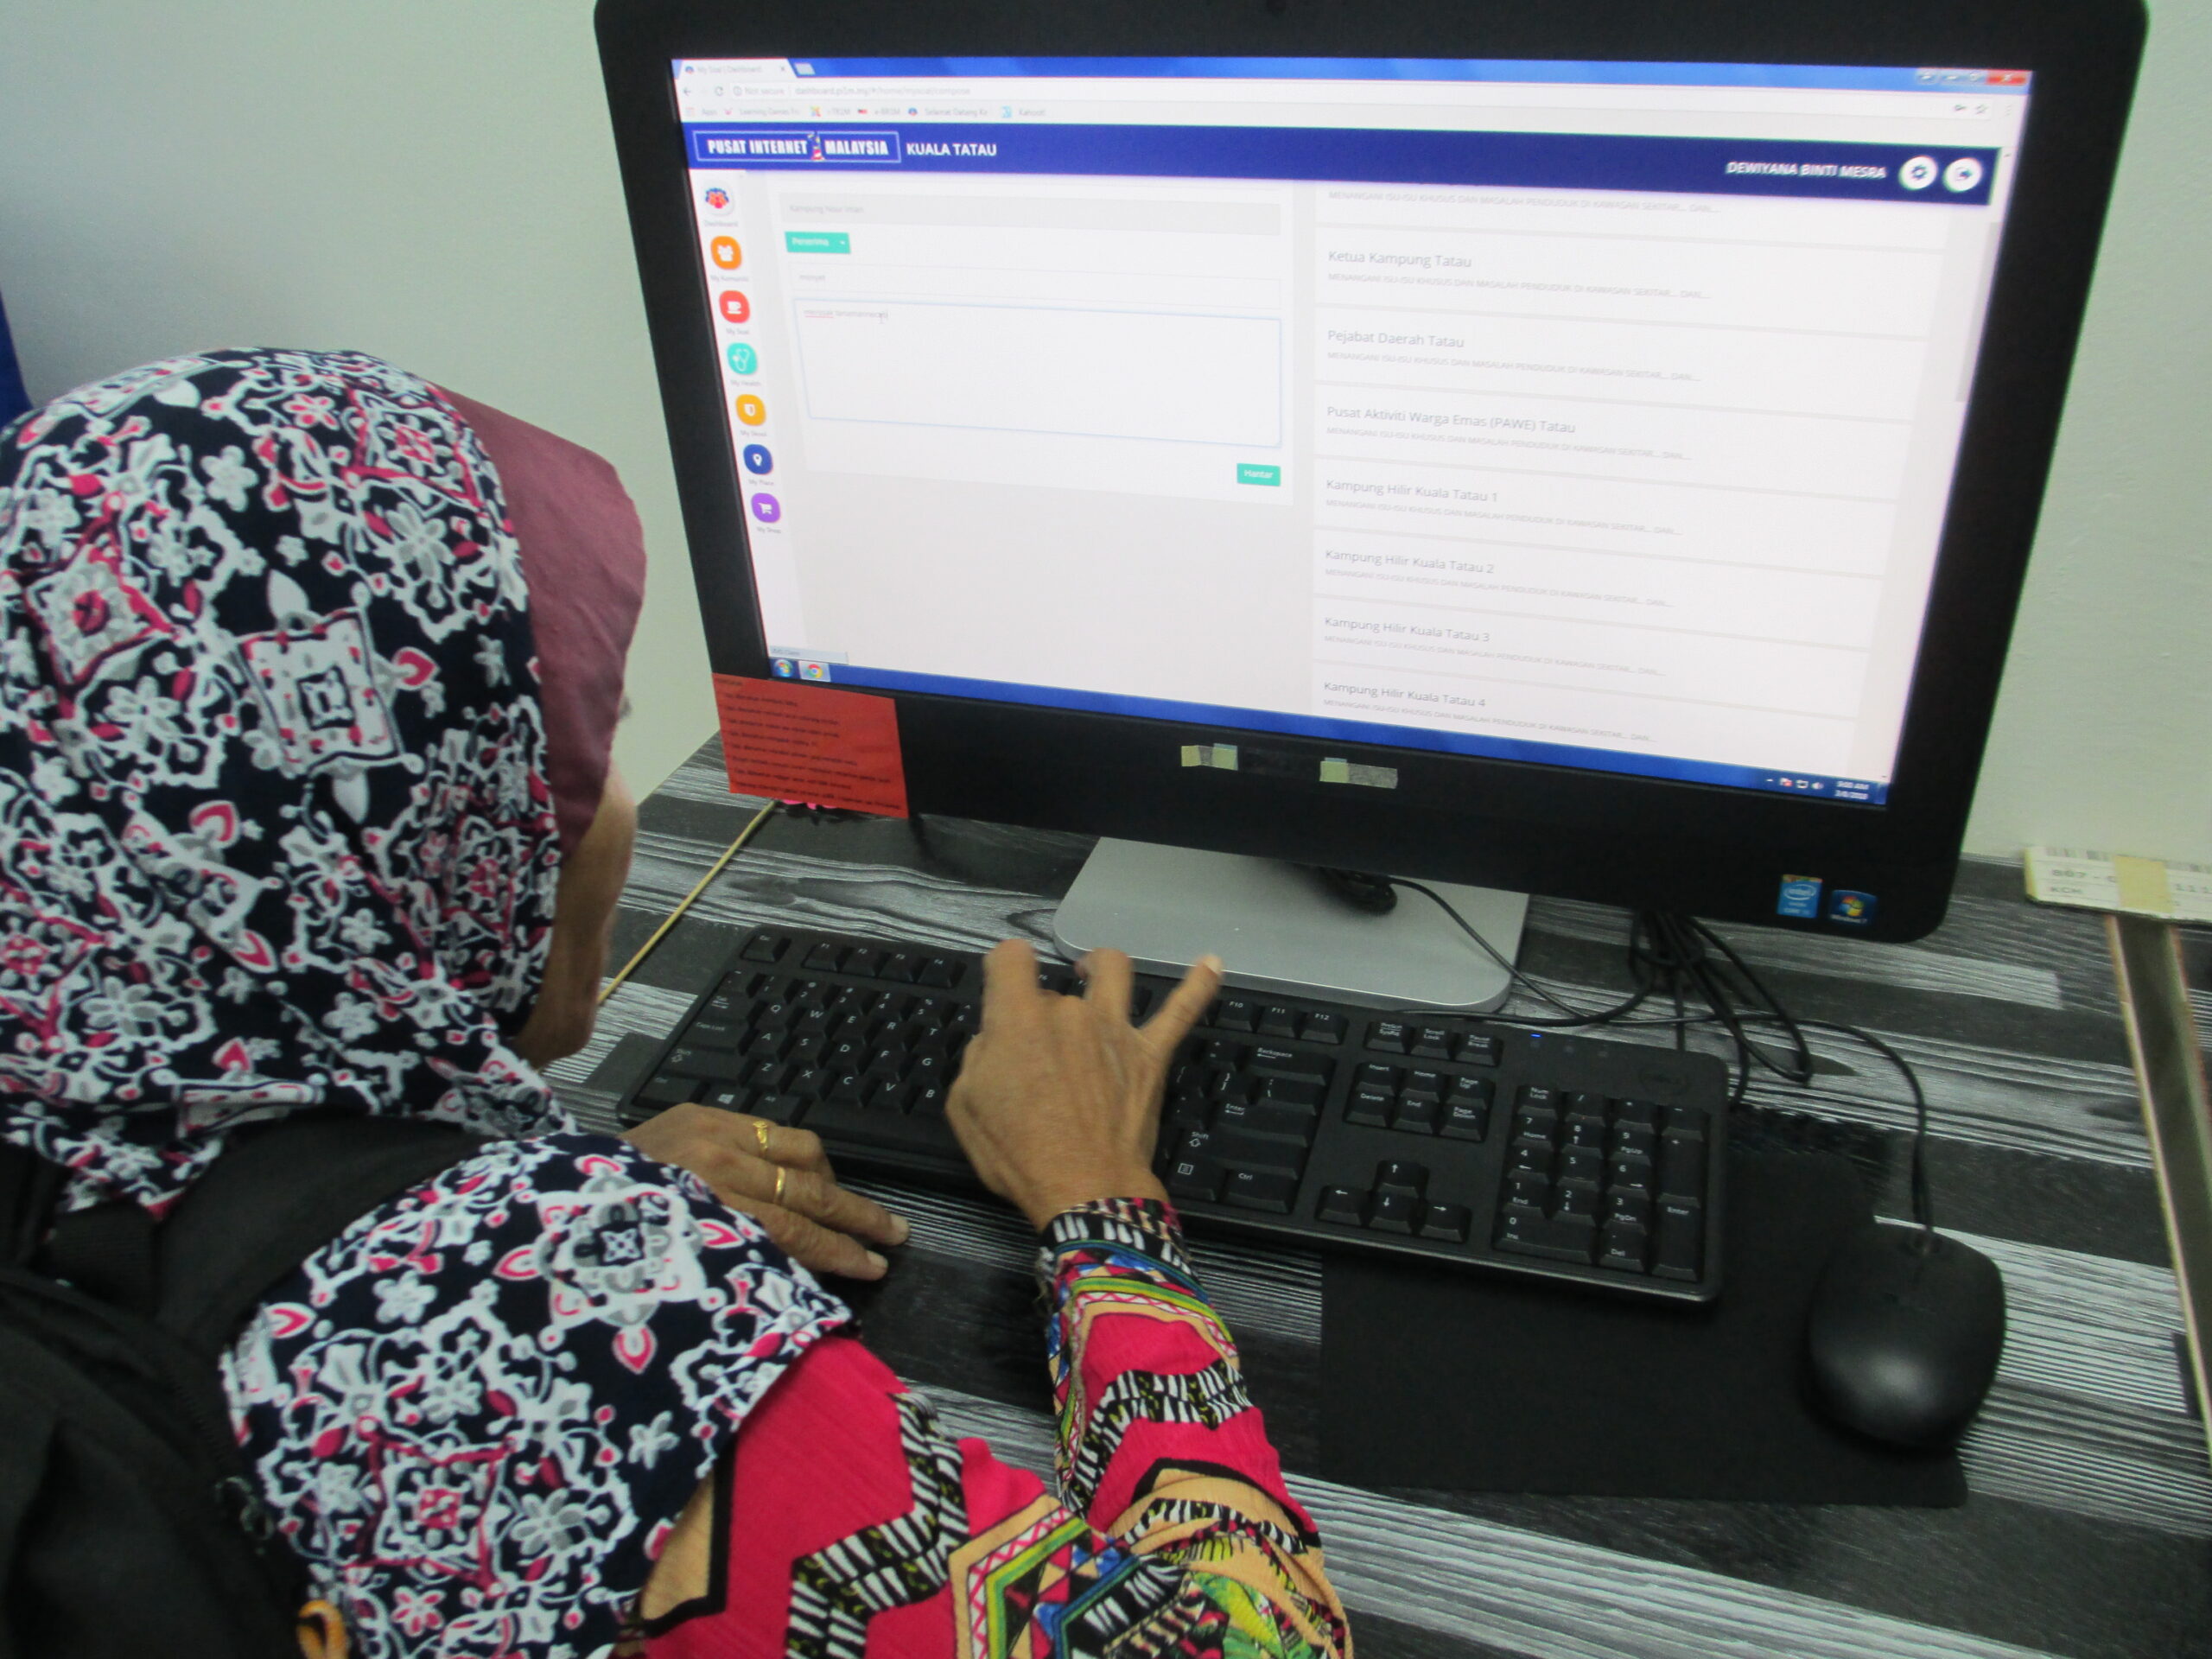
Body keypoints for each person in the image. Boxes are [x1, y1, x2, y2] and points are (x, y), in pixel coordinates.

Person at [0, 348, 1349, 1659]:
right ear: (422, 813)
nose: (613, 809)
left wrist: (528, 1189)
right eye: (580, 747)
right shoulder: (531, 1347)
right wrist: (1100, 1207)